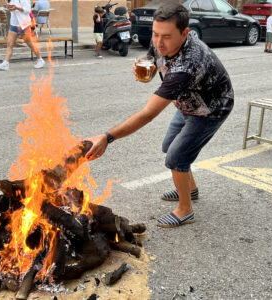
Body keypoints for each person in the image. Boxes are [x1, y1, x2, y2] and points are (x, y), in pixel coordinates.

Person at [84, 2, 234, 228]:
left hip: (210, 109)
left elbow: (148, 114)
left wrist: (107, 137)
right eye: (155, 34)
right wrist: (147, 69)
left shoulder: (187, 63)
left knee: (175, 157)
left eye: (166, 36)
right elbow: (154, 60)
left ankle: (185, 210)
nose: (158, 42)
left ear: (184, 33)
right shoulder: (163, 43)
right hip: (187, 103)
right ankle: (190, 189)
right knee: (169, 146)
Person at [0, 0, 45, 71]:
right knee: (9, 44)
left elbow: (28, 10)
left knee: (30, 43)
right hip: (14, 23)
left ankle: (40, 59)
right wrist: (10, 8)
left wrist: (17, 8)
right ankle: (6, 63)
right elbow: (13, 10)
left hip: (24, 24)